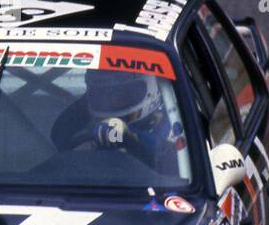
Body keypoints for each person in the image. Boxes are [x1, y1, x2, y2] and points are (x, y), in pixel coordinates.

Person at [51, 70, 179, 172]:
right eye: (102, 94)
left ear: (152, 88)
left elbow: (171, 167)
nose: (110, 101)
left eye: (122, 94)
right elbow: (58, 137)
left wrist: (129, 138)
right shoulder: (81, 123)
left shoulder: (176, 122)